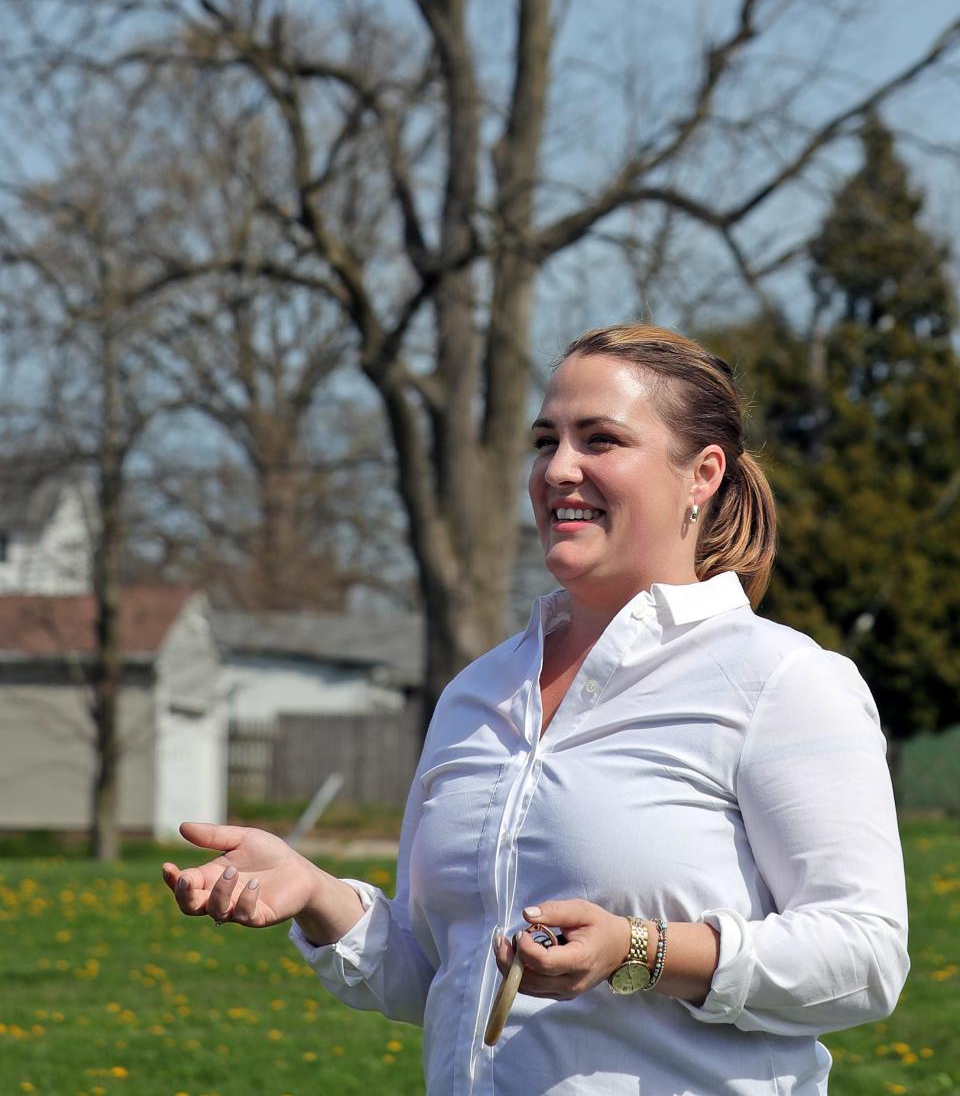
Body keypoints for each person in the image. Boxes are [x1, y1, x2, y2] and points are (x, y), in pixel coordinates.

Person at [162, 323, 909, 1095]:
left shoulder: (781, 680)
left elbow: (866, 959)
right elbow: (445, 975)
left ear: (702, 474)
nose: (559, 469)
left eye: (601, 440)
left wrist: (641, 949)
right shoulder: (477, 692)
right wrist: (316, 894)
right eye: (546, 439)